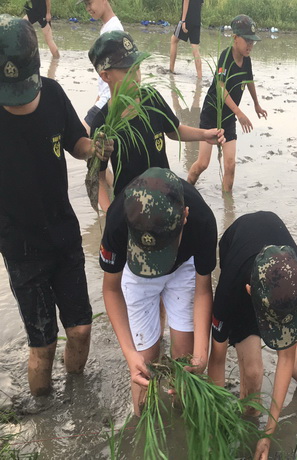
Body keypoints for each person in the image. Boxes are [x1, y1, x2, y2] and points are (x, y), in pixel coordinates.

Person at [0, 16, 112, 396]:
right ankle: (43, 414)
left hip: (63, 235)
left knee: (81, 330)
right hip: (20, 247)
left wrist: (94, 149)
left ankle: (77, 398)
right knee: (43, 346)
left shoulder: (52, 93)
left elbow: (76, 142)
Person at [100, 167, 217, 414]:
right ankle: (142, 423)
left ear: (185, 216)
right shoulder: (118, 218)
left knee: (185, 358)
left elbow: (203, 290)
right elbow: (111, 289)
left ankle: (182, 418)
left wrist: (201, 354)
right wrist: (129, 353)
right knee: (143, 363)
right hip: (138, 272)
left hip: (182, 267)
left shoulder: (203, 220)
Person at [208, 211, 297, 460]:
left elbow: (286, 357)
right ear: (251, 292)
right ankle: (247, 430)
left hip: (278, 289)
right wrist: (216, 426)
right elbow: (216, 359)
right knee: (252, 375)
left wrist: (268, 434)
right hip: (240, 266)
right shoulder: (229, 293)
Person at [87, 30, 225, 211]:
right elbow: (99, 177)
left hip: (165, 197)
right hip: (131, 208)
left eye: (138, 68)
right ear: (106, 76)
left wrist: (204, 135)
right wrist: (110, 213)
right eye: (128, 72)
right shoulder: (103, 123)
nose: (137, 77)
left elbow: (174, 131)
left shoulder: (151, 99)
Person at [188, 14, 268, 193]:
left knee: (230, 165)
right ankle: (185, 191)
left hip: (228, 117)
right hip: (212, 114)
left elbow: (249, 81)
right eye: (247, 40)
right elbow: (220, 88)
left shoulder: (246, 60)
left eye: (252, 41)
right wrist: (239, 113)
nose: (250, 45)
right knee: (203, 163)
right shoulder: (225, 57)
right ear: (235, 38)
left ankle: (228, 204)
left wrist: (256, 104)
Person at [77, 0, 124, 129]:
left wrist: (101, 105)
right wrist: (98, 100)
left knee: (80, 137)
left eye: (89, 3)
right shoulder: (107, 27)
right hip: (105, 99)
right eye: (85, 4)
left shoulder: (113, 30)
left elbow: (118, 75)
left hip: (109, 101)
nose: (88, 8)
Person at [169, 0, 203, 79]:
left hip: (187, 20)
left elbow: (186, 2)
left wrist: (183, 21)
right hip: (197, 20)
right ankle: (200, 76)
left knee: (173, 40)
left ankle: (171, 70)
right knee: (195, 48)